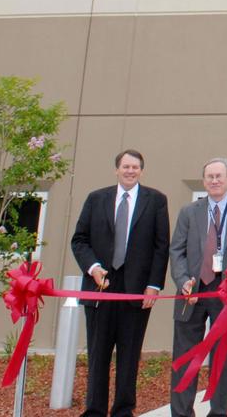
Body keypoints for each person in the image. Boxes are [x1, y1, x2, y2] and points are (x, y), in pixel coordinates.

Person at [71, 149, 170, 417]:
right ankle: (94, 410)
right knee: (98, 354)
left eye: (135, 167)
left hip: (136, 291)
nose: (130, 171)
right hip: (100, 287)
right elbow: (79, 240)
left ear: (141, 170)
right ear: (117, 169)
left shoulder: (156, 201)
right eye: (125, 166)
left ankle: (124, 410)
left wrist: (154, 285)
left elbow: (162, 247)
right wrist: (93, 268)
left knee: (129, 356)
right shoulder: (96, 199)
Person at [168, 157, 227, 417]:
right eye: (210, 176)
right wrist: (182, 279)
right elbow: (176, 251)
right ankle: (181, 412)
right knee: (185, 356)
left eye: (219, 176)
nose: (215, 180)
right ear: (204, 181)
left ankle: (219, 411)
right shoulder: (189, 212)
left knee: (224, 356)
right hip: (192, 292)